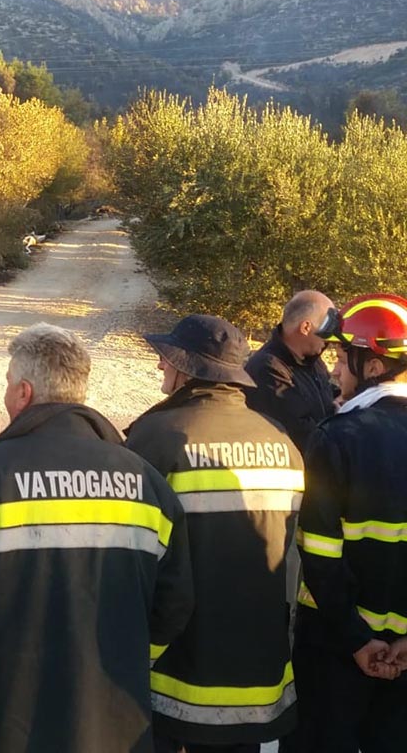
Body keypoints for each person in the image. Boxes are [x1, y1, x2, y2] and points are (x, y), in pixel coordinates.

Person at [0, 323, 195, 753]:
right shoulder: (145, 480)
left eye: (8, 383)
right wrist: (131, 658)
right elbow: (175, 602)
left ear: (23, 393)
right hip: (112, 722)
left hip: (0, 719)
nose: (7, 394)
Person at [126, 314, 305, 752]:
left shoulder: (157, 437)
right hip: (255, 666)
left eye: (166, 358)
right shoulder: (281, 441)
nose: (160, 365)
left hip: (176, 668)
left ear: (187, 369)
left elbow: (128, 558)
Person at [284, 293, 407, 752]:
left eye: (340, 359)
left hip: (334, 651)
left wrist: (357, 641)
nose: (334, 371)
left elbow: (318, 552)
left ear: (372, 366)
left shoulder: (337, 437)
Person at [244, 290, 337, 452]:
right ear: (306, 327)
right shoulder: (268, 369)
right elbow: (299, 432)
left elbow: (328, 394)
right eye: (327, 330)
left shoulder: (312, 361)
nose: (330, 339)